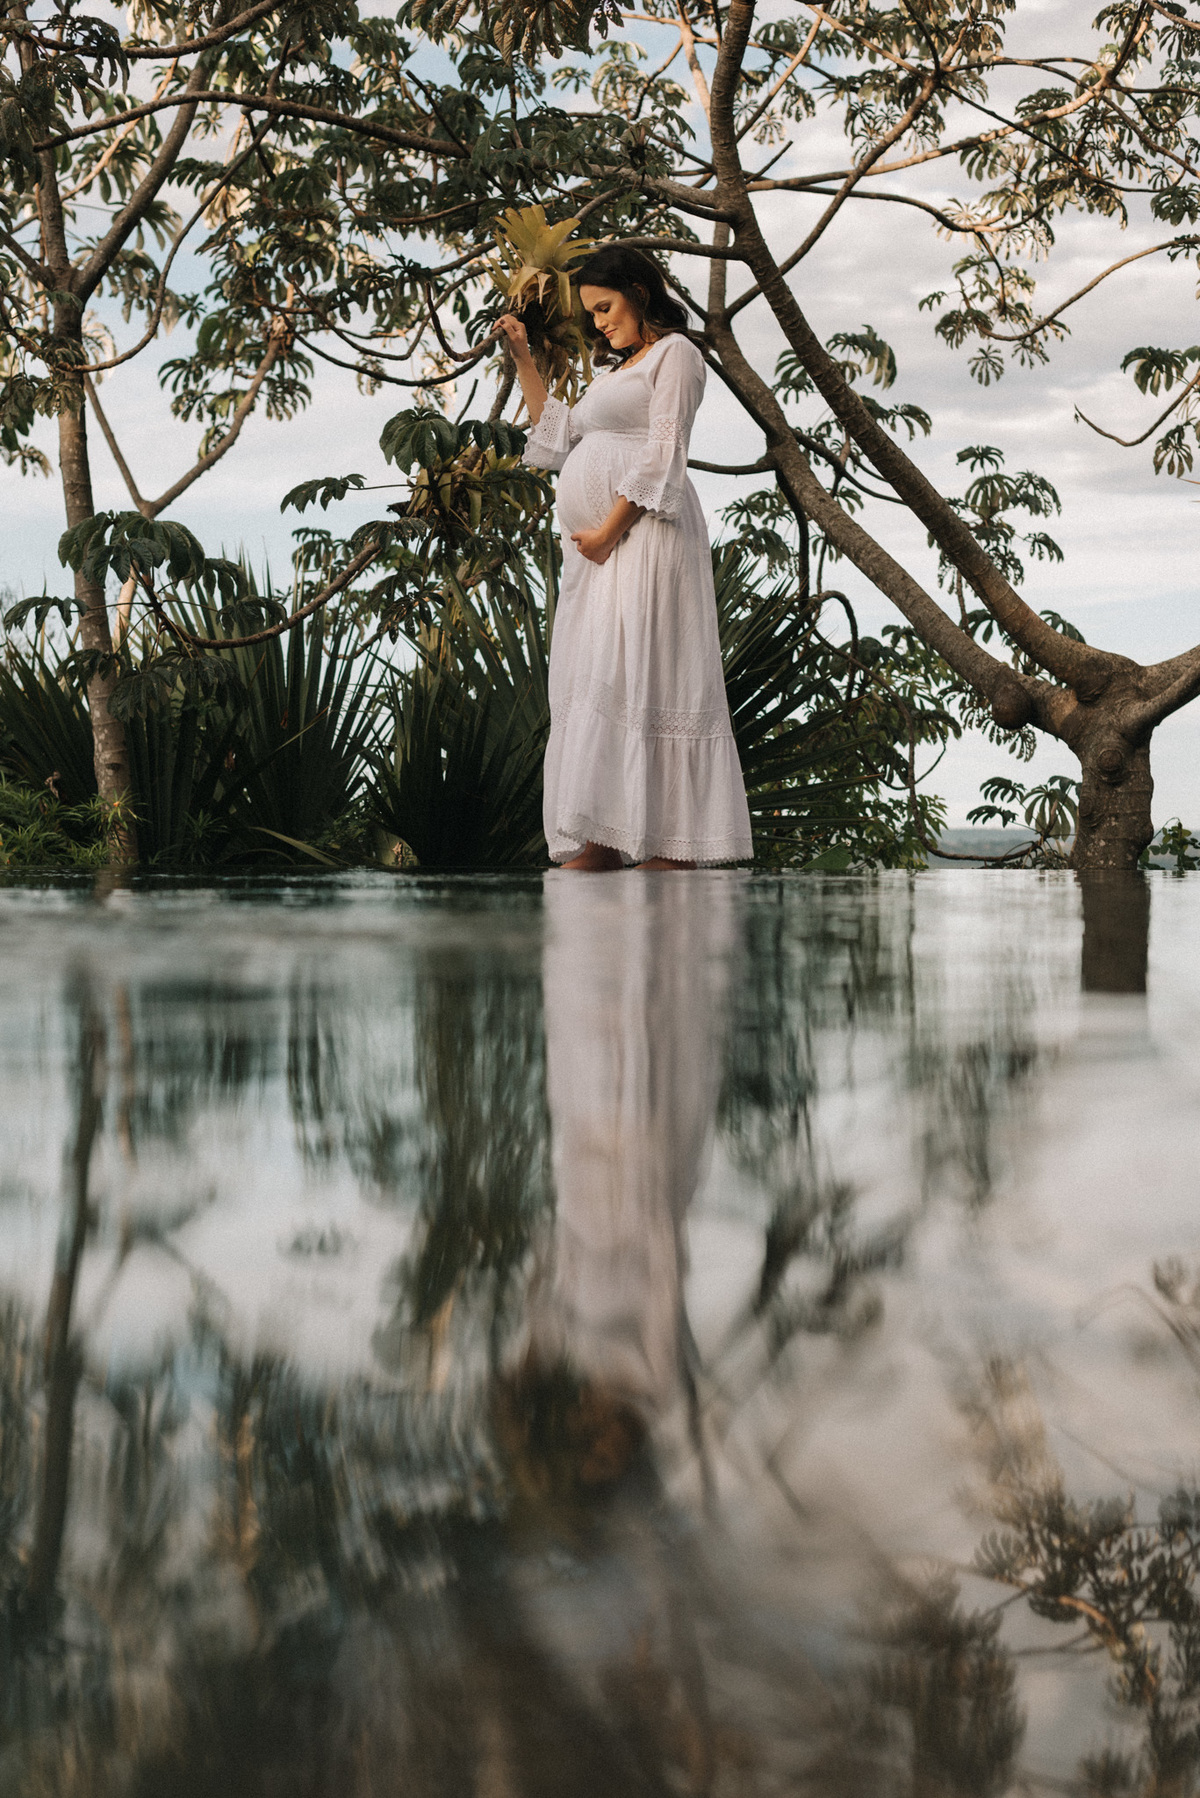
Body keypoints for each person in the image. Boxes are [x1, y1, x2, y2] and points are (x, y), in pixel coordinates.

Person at [492, 245, 753, 871]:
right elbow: (556, 436)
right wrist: (524, 356)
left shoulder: (677, 356)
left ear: (641, 291)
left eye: (605, 308)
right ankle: (607, 835)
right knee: (601, 676)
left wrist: (608, 530)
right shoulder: (615, 373)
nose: (600, 323)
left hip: (645, 536)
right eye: (591, 314)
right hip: (601, 556)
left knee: (647, 672)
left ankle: (669, 844)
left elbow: (666, 452)